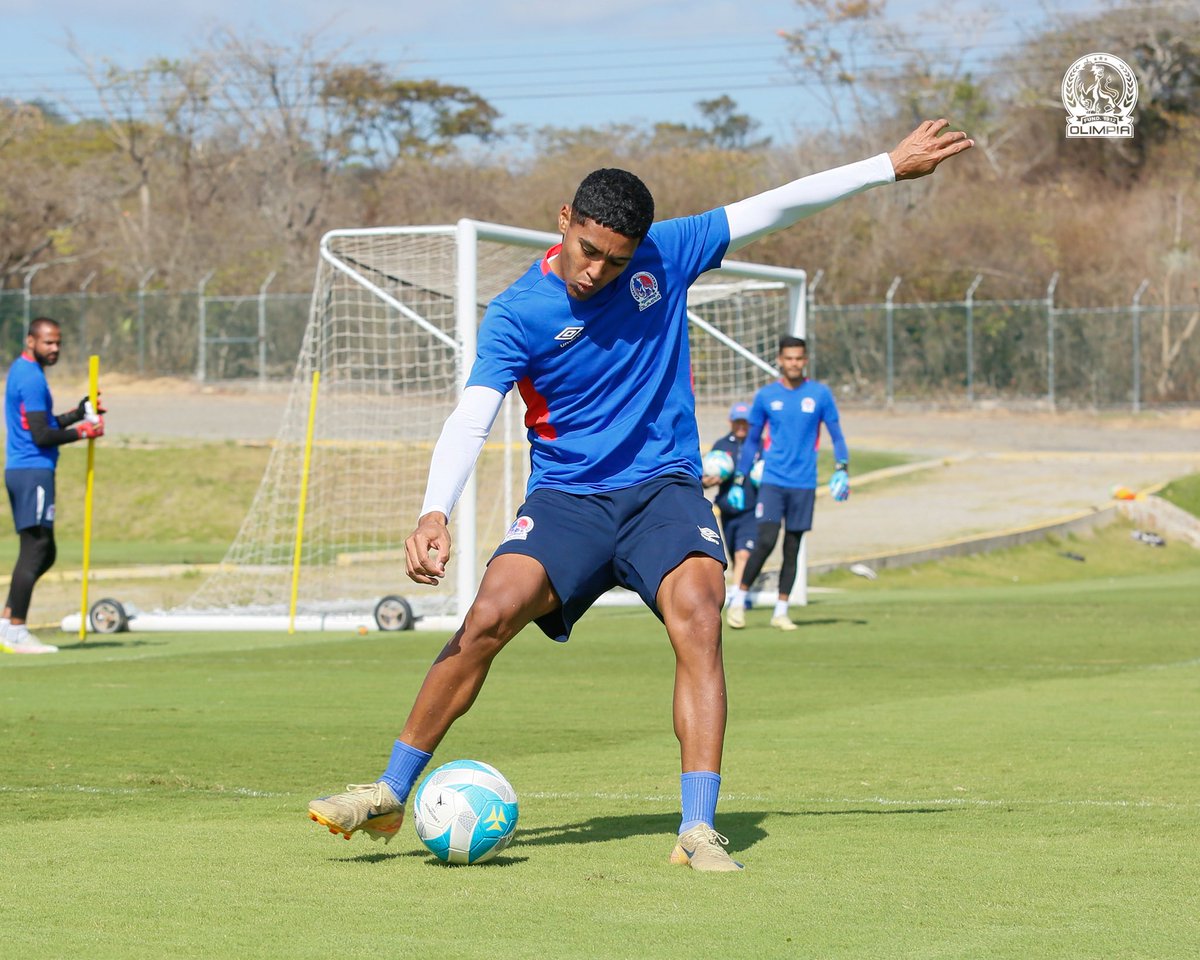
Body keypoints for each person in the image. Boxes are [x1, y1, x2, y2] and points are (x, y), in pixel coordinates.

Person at [308, 119, 973, 871]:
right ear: (565, 220)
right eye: (588, 250)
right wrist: (435, 509)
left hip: (663, 491)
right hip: (568, 499)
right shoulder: (517, 313)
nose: (597, 271)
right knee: (489, 613)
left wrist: (884, 166)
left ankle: (698, 828)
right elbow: (473, 416)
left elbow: (773, 205)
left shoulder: (669, 253)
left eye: (617, 261)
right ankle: (391, 791)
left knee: (701, 613)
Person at [724, 336, 846, 632]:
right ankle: (739, 601)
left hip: (804, 484)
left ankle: (781, 611)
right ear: (780, 360)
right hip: (773, 482)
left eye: (798, 358)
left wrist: (842, 467)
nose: (794, 363)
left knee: (793, 546)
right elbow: (752, 441)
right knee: (765, 540)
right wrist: (740, 478)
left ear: (805, 360)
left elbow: (836, 435)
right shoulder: (766, 396)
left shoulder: (820, 394)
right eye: (789, 358)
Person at [2, 317, 105, 655]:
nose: (54, 348)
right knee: (36, 549)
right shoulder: (30, 378)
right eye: (48, 342)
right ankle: (16, 630)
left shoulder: (27, 371)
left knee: (45, 551)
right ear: (31, 341)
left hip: (31, 469)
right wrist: (84, 432)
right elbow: (42, 436)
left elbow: (45, 423)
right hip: (31, 470)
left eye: (58, 342)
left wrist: (78, 413)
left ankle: (6, 621)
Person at [703, 402, 760, 594]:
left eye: (745, 422)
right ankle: (743, 591)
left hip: (752, 510)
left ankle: (738, 597)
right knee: (735, 555)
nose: (741, 426)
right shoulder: (721, 446)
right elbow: (706, 478)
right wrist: (707, 482)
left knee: (744, 553)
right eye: (738, 422)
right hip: (728, 510)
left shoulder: (759, 445)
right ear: (731, 422)